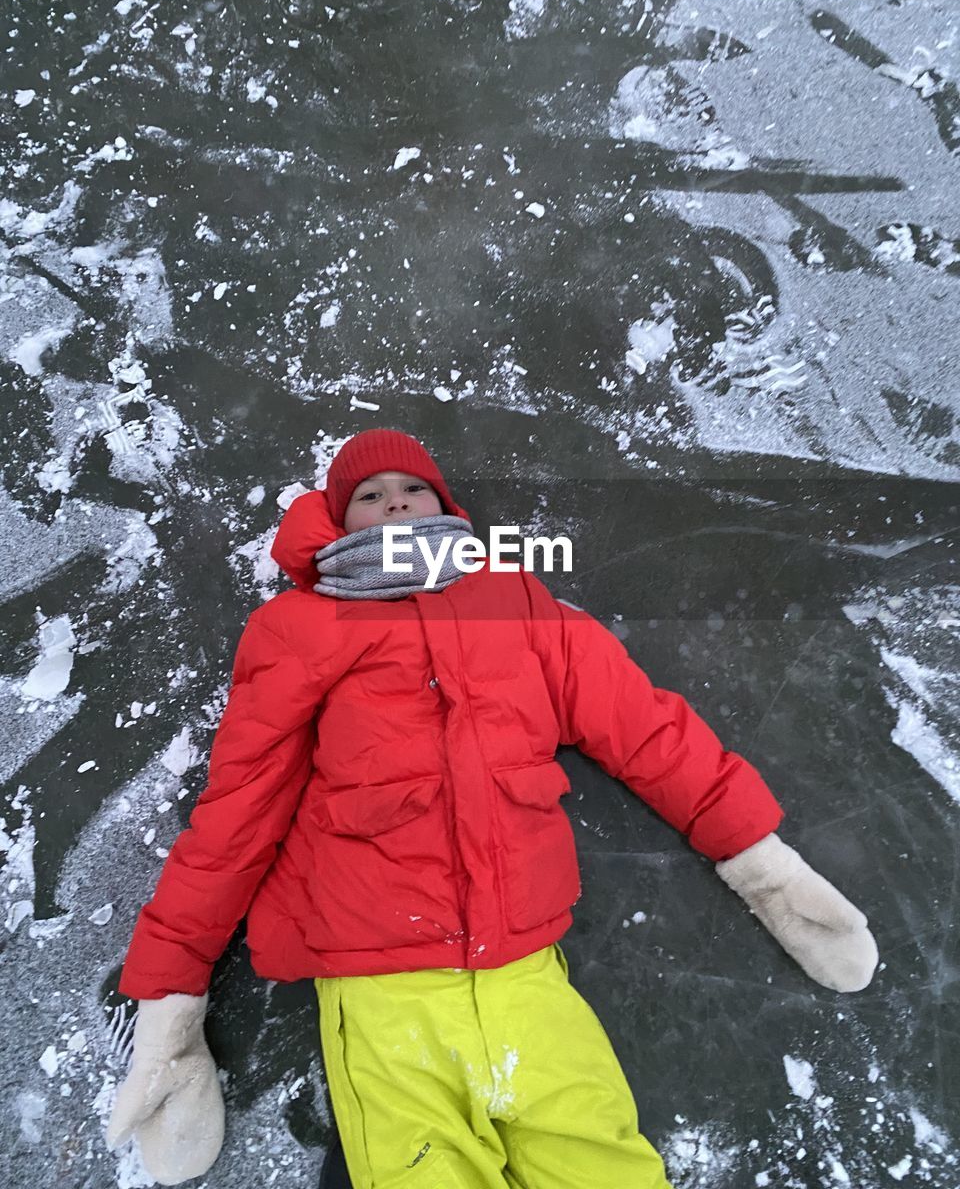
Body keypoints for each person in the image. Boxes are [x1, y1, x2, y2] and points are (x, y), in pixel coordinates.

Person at [104, 428, 879, 1188]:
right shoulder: (298, 629)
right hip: (382, 989)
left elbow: (643, 725)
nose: (398, 506)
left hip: (524, 971)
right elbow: (237, 814)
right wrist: (173, 1009)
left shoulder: (512, 599)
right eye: (371, 497)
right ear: (338, 522)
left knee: (604, 1160)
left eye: (416, 490)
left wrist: (762, 863)